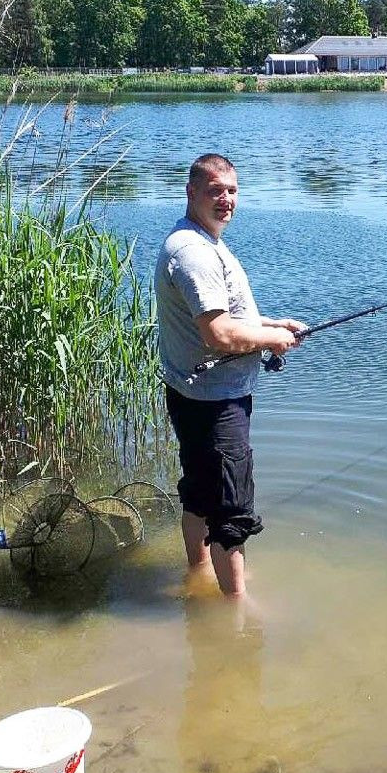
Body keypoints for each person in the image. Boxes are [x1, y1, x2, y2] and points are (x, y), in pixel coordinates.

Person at [155, 153, 306, 598]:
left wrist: (272, 326)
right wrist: (268, 341)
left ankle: (199, 573)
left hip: (194, 392)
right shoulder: (193, 253)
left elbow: (226, 316)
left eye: (232, 190)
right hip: (215, 403)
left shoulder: (202, 241)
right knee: (231, 510)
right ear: (191, 192)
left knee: (199, 493)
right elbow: (219, 332)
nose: (226, 199)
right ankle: (235, 613)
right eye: (215, 190)